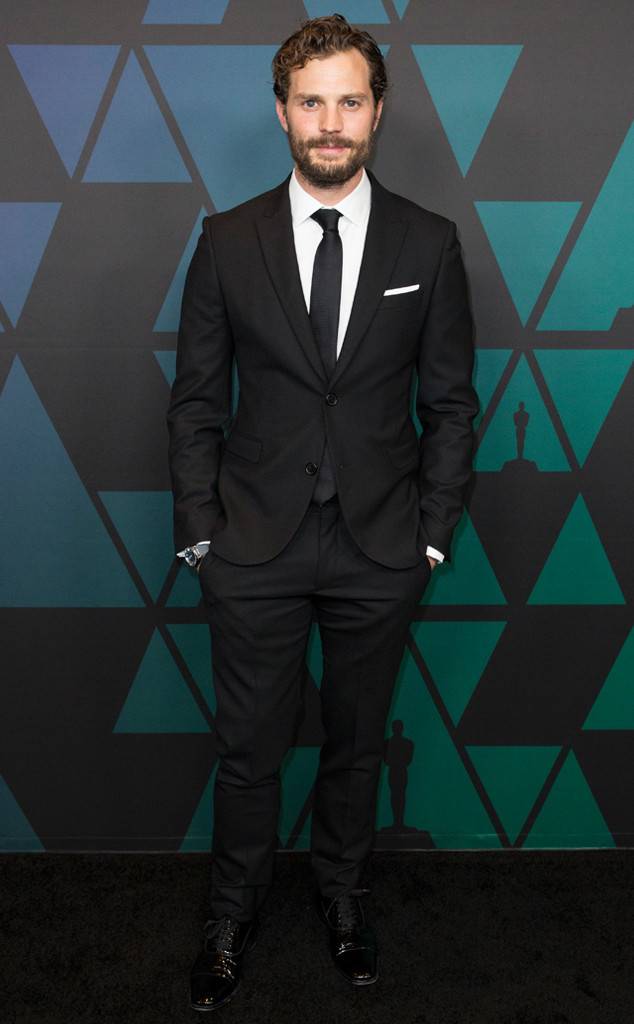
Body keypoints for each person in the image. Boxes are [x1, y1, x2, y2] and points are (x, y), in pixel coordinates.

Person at [166, 12, 479, 1012]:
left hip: (380, 546)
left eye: (349, 101)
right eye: (312, 102)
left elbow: (452, 405)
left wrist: (431, 538)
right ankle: (231, 912)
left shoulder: (428, 242)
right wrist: (202, 536)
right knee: (249, 748)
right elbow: (196, 403)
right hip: (252, 543)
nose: (330, 123)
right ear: (282, 112)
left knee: (355, 744)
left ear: (377, 111)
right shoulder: (227, 241)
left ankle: (343, 900)